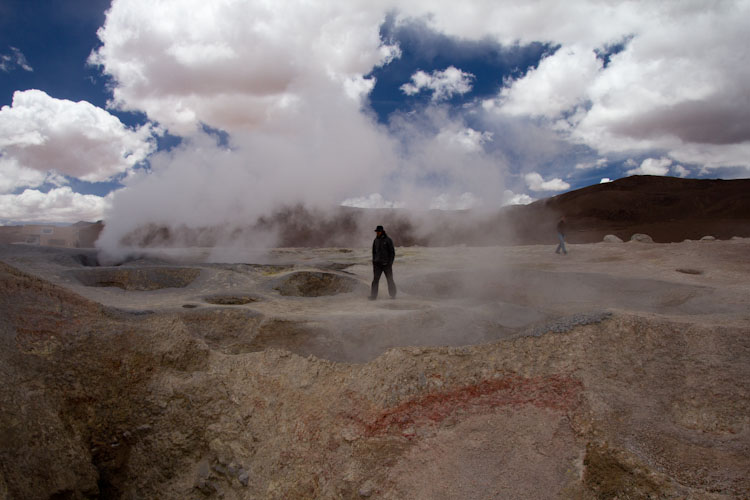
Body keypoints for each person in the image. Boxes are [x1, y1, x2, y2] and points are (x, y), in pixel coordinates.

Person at [370, 225, 396, 300]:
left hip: (386, 265)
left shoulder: (388, 240)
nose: (377, 233)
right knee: (375, 280)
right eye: (376, 232)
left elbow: (392, 253)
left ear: (382, 231)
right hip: (377, 264)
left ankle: (393, 295)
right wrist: (374, 261)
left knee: (390, 280)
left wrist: (390, 263)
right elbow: (374, 252)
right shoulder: (375, 240)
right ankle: (373, 296)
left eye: (378, 231)